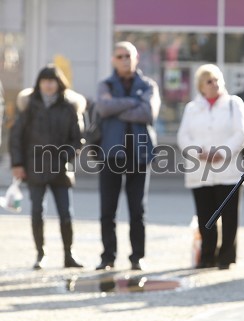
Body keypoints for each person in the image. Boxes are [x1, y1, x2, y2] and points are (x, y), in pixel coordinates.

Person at [9, 64, 86, 270]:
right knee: (36, 212)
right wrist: (17, 164)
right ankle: (40, 254)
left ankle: (68, 254)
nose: (49, 85)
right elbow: (16, 137)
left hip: (60, 169)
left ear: (59, 83)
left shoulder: (69, 108)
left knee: (65, 213)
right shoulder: (29, 107)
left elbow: (77, 139)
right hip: (35, 167)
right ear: (39, 83)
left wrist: (64, 157)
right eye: (45, 80)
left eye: (52, 80)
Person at [177, 64, 244, 270]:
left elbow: (242, 133)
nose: (215, 84)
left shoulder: (233, 104)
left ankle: (226, 257)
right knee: (205, 215)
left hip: (228, 170)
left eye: (218, 79)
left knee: (229, 216)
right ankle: (207, 256)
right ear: (201, 86)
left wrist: (222, 152)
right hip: (200, 171)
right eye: (210, 81)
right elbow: (183, 137)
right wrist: (198, 152)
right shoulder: (192, 108)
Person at [94, 41, 160, 271]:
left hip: (139, 155)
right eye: (120, 56)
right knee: (107, 210)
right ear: (113, 59)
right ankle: (108, 257)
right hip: (111, 154)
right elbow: (103, 108)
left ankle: (137, 257)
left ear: (136, 58)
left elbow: (149, 112)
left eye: (128, 56)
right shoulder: (106, 85)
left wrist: (118, 108)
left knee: (137, 210)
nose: (124, 60)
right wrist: (133, 103)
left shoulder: (148, 85)